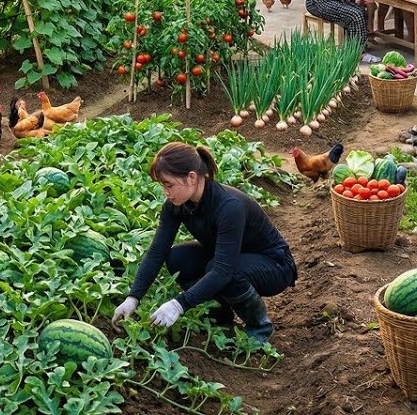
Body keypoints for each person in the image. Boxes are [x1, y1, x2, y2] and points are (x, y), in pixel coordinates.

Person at [111, 143, 297, 343]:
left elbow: (223, 271)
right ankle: (220, 314)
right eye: (162, 186)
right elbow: (157, 251)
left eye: (169, 184)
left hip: (275, 266)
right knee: (177, 258)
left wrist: (179, 304)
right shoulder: (176, 205)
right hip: (233, 257)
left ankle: (259, 328)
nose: (165, 192)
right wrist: (133, 298)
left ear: (191, 177)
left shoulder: (229, 206)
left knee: (223, 271)